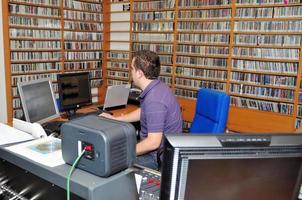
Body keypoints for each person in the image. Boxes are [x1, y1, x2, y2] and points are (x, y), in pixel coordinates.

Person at [100, 50, 183, 170]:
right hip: (160, 151)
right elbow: (144, 111)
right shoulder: (158, 87)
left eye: (132, 68)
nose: (130, 72)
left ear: (139, 73)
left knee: (109, 161)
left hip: (157, 159)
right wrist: (117, 119)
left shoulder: (154, 100)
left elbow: (153, 143)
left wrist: (124, 154)